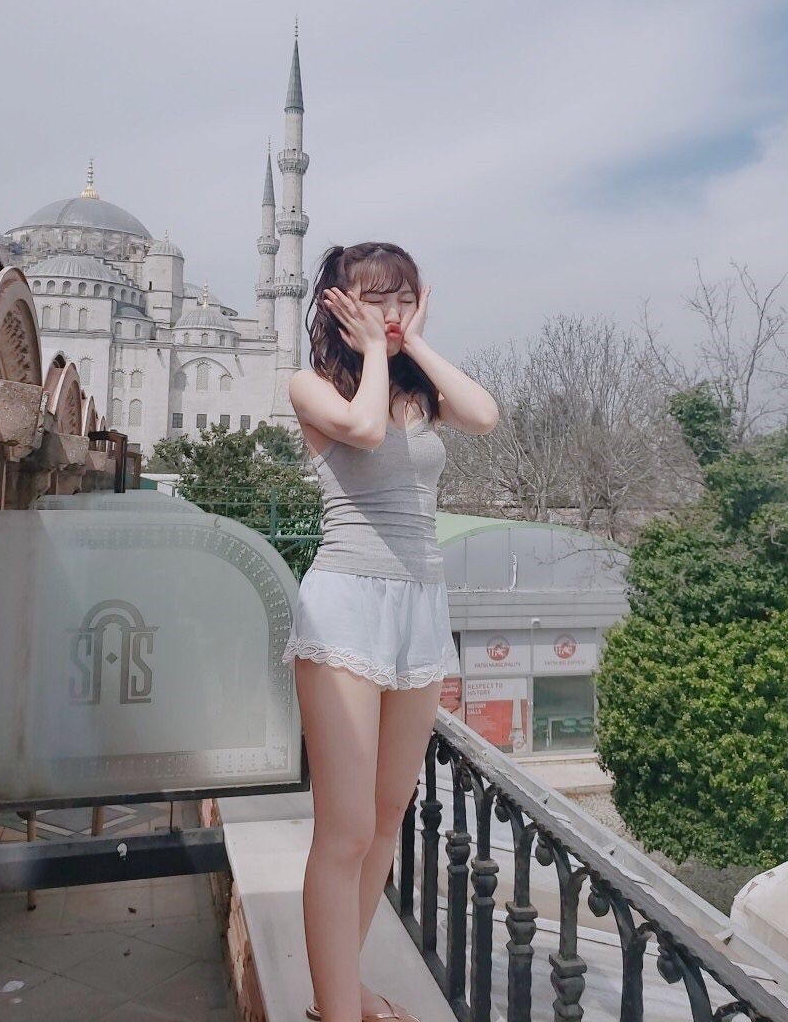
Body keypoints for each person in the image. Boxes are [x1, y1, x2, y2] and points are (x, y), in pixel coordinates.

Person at [281, 241, 500, 1022]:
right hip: (346, 605)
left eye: (403, 296)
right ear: (338, 305)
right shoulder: (310, 385)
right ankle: (338, 1010)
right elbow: (365, 431)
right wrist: (377, 349)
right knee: (343, 831)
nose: (392, 310)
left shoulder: (418, 392)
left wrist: (415, 345)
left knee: (383, 822)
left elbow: (485, 415)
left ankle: (339, 991)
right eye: (375, 297)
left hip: (420, 610)